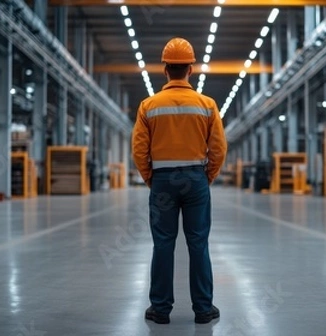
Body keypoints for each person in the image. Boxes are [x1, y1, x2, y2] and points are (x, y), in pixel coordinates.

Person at [131, 37, 227, 324]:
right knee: (198, 243)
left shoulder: (149, 105)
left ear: (165, 70)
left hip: (162, 180)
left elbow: (139, 150)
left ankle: (160, 310)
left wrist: (152, 178)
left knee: (163, 244)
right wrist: (205, 176)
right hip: (195, 179)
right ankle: (203, 309)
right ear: (191, 69)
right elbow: (219, 148)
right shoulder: (206, 105)